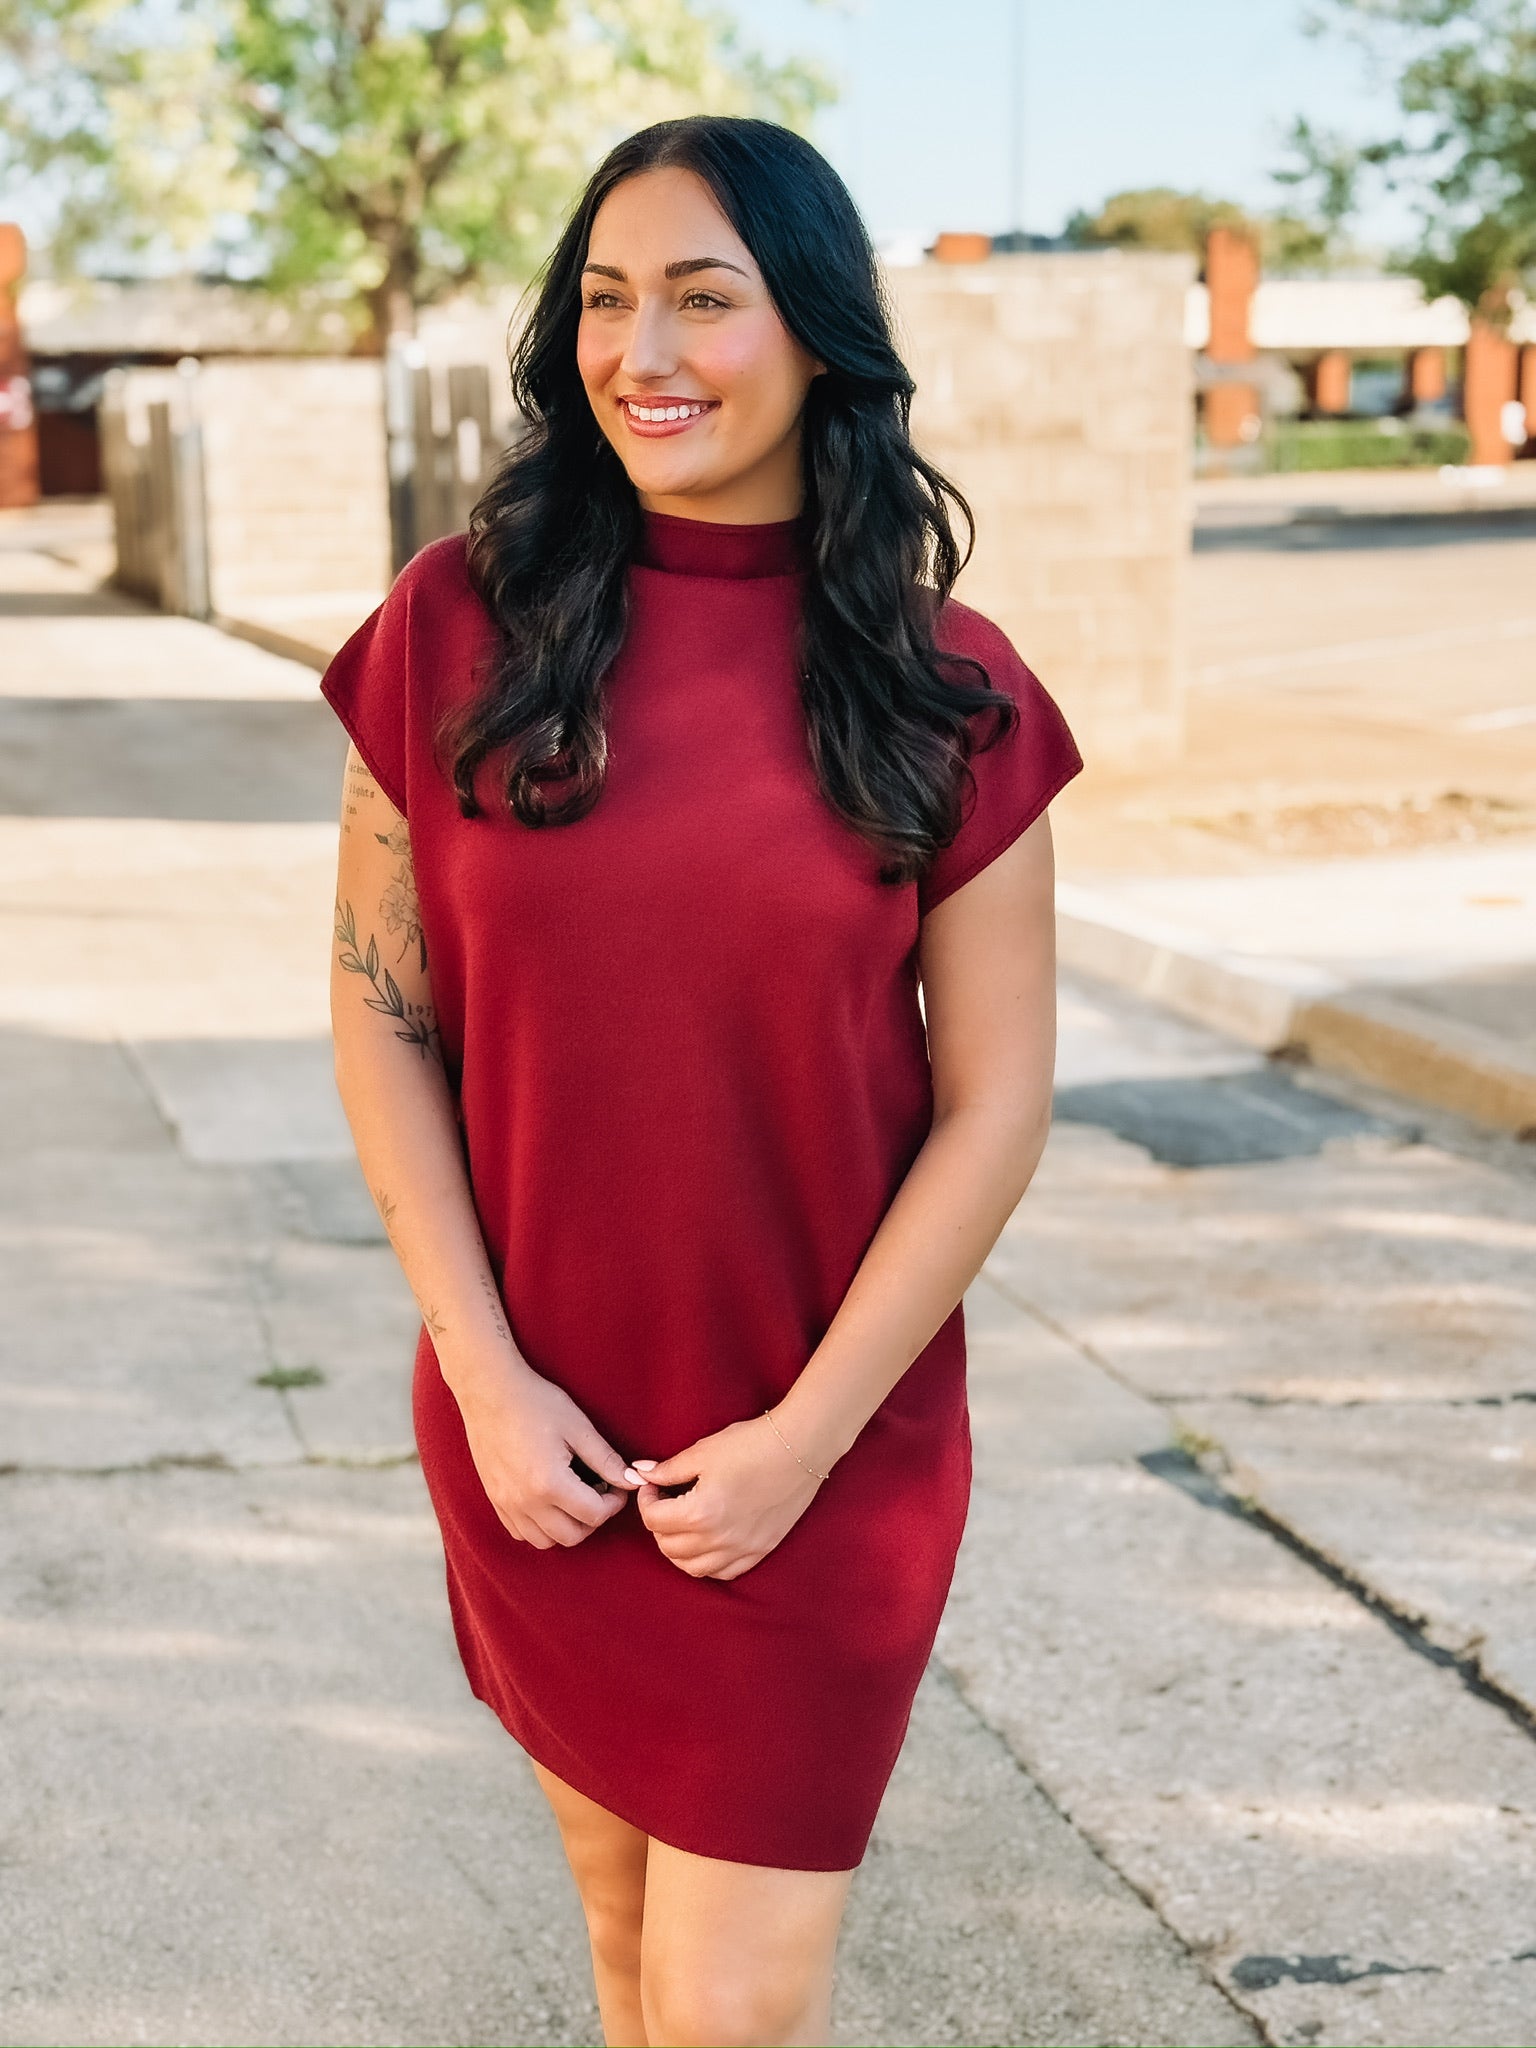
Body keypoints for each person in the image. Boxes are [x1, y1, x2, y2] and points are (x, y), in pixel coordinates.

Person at [322, 114, 1082, 2048]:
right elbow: (382, 1015)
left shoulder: (945, 684)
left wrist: (809, 1441)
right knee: (623, 1955)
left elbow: (995, 1107)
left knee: (734, 2011)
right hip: (540, 1435)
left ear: (819, 331)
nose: (640, 350)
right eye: (603, 299)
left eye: (703, 298)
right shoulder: (455, 631)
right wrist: (489, 1383)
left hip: (823, 1445)